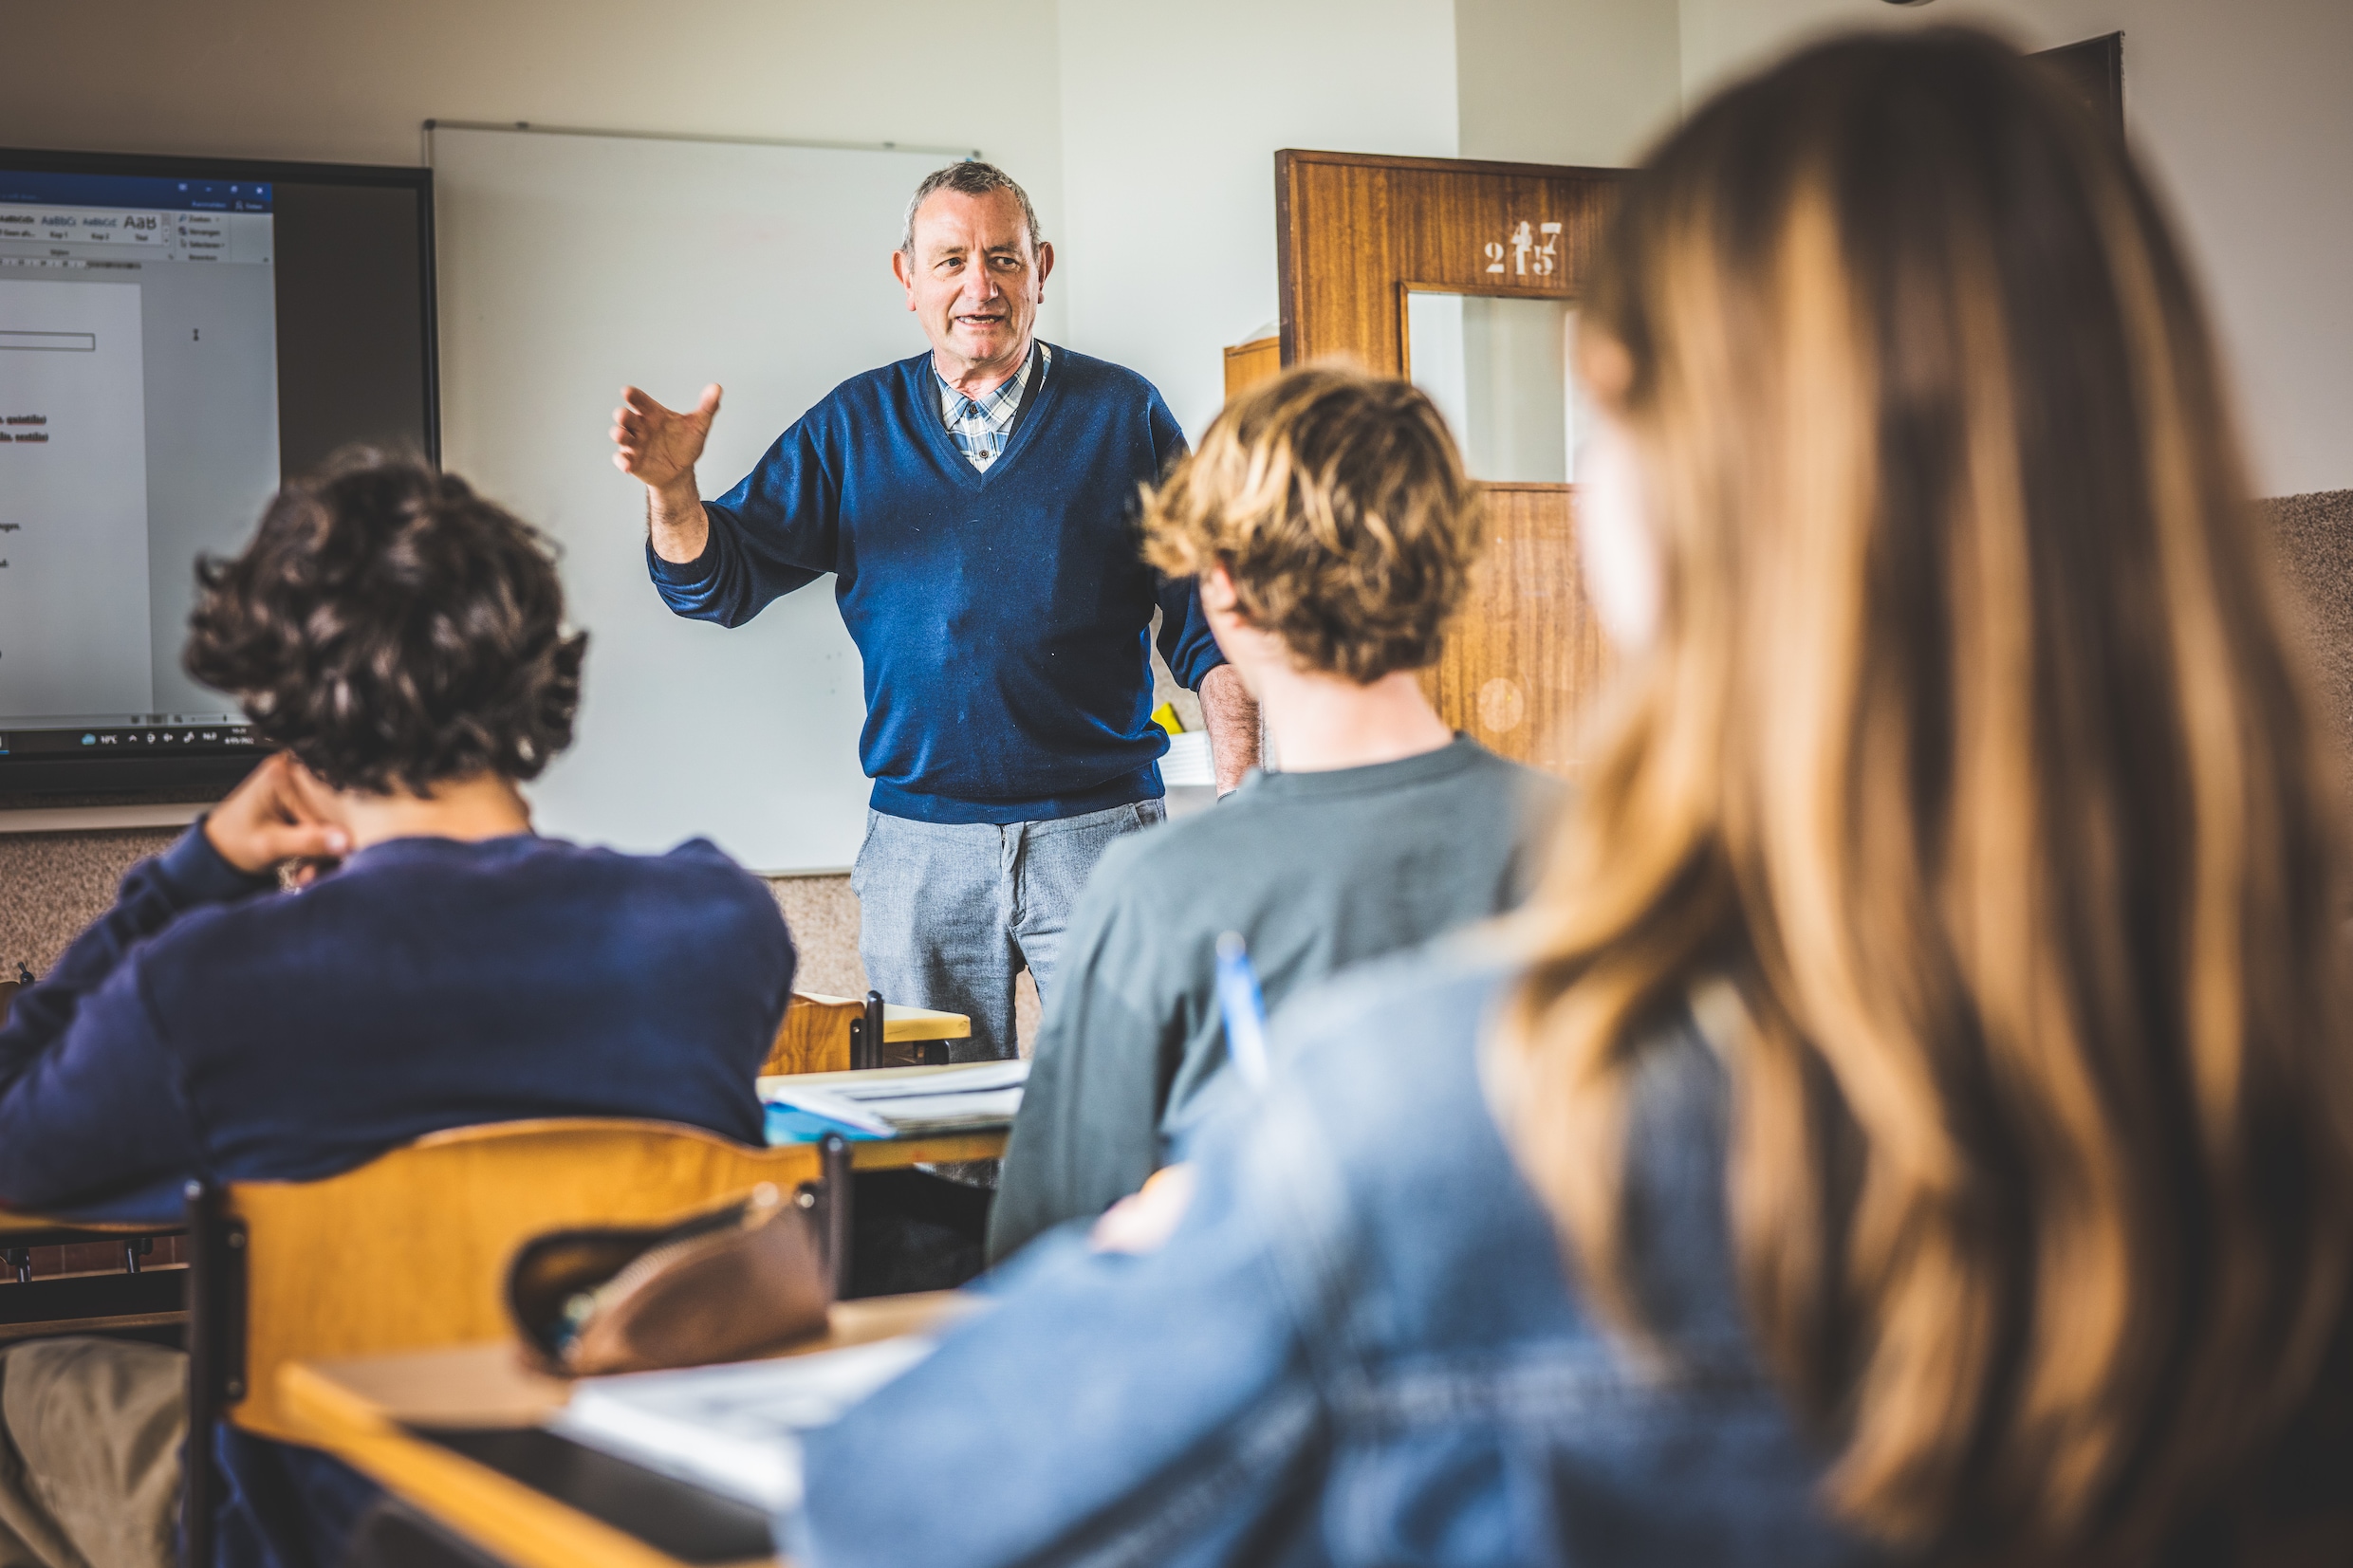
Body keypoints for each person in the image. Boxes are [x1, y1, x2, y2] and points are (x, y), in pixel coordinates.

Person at [791, 30, 2353, 1565]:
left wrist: (1148, 1254)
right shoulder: (2272, 1116)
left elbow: (889, 1500)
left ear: (1656, 493)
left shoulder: (1395, 1128)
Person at [0, 453, 796, 1568]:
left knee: (27, 1382)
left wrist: (192, 876)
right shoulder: (718, 926)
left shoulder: (211, 982)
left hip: (313, 1538)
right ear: (531, 669)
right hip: (606, 1510)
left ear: (287, 713)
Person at [614, 160, 1257, 1065]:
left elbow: (1210, 619)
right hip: (922, 850)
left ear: (1041, 268)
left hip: (1103, 837)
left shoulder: (1123, 415)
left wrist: (1243, 800)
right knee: (925, 1151)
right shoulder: (852, 428)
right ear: (907, 278)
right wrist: (675, 493)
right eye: (950, 261)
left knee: (1131, 1107)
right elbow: (715, 582)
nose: (978, 286)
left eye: (1002, 259)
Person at [986, 366, 1558, 1264]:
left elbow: (1042, 1255)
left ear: (1224, 592)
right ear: (1447, 569)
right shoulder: (1609, 844)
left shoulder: (1160, 893)